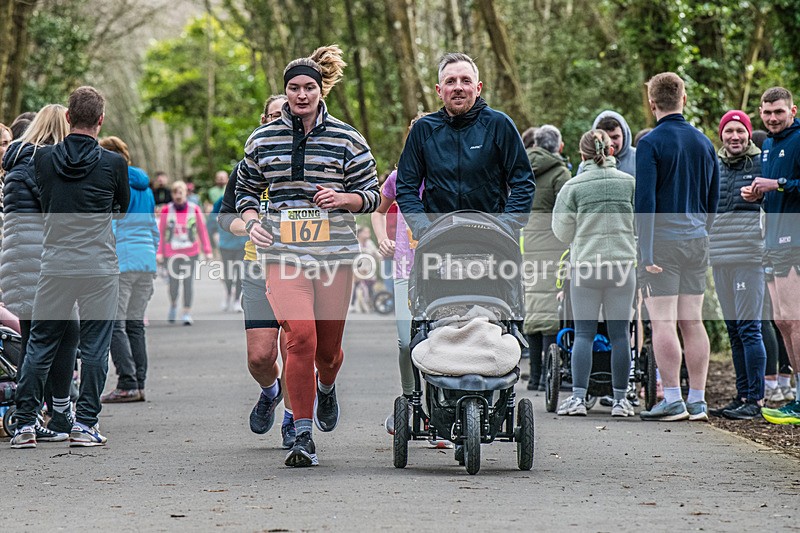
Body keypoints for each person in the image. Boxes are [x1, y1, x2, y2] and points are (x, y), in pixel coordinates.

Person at [236, 45, 380, 467]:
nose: (301, 94)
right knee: (300, 337)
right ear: (285, 91)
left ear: (321, 91)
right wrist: (251, 220)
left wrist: (344, 198)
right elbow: (244, 190)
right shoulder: (262, 139)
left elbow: (372, 197)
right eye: (294, 88)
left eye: (309, 87)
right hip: (283, 254)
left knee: (328, 352)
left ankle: (328, 386)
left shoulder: (347, 138)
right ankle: (302, 434)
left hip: (334, 256)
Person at [10, 86, 129, 448]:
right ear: (101, 120)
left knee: (41, 345)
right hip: (98, 265)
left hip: (56, 263)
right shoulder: (114, 163)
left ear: (67, 117)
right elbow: (121, 208)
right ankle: (85, 424)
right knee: (95, 347)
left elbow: (46, 200)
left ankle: (25, 424)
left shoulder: (42, 160)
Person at [636, 72, 719, 422]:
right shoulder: (704, 143)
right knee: (693, 321)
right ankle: (698, 399)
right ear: (683, 99)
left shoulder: (651, 143)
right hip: (697, 239)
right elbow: (713, 200)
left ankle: (672, 398)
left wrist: (646, 253)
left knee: (663, 323)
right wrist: (702, 232)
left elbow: (645, 202)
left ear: (652, 103)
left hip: (663, 244)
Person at [219, 94, 296, 450]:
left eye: (287, 113)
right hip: (256, 267)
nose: (279, 119)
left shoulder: (307, 161)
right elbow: (225, 216)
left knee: (295, 348)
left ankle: (295, 420)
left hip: (300, 267)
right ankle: (271, 391)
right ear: (263, 119)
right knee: (260, 357)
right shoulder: (246, 167)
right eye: (273, 115)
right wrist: (247, 227)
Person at [1, 104, 80, 441]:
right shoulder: (48, 166)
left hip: (18, 261)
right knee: (50, 340)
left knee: (45, 338)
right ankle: (31, 418)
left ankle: (47, 415)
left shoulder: (17, 167)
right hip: (45, 262)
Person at [396, 52, 535, 238]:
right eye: (450, 81)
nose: (458, 87)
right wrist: (423, 228)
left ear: (478, 88)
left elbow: (523, 182)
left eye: (466, 81)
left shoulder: (499, 124)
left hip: (493, 240)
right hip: (438, 241)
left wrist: (505, 225)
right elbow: (406, 187)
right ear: (439, 90)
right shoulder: (423, 130)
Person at [552, 129, 637, 417]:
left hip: (586, 267)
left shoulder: (574, 187)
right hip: (623, 267)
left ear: (583, 154)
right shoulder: (629, 184)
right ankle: (621, 400)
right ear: (611, 151)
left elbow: (561, 231)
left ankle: (577, 398)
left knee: (584, 334)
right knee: (621, 335)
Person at [743, 86, 800, 424]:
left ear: (792, 110)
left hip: (796, 241)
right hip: (773, 240)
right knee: (781, 321)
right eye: (767, 113)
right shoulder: (766, 145)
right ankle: (794, 393)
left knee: (794, 319)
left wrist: (777, 183)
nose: (772, 118)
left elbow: (786, 184)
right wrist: (757, 195)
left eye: (778, 112)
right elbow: (774, 192)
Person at [707, 111, 767, 420]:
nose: (735, 136)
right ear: (721, 135)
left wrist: (761, 197)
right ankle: (741, 395)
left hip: (749, 257)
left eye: (740, 131)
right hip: (719, 257)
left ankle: (755, 400)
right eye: (729, 131)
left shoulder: (761, 164)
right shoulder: (713, 166)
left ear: (747, 133)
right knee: (733, 329)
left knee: (749, 328)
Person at [98, 136, 159, 404]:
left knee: (114, 323)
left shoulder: (112, 181)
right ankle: (139, 383)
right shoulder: (145, 186)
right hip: (145, 258)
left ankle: (127, 382)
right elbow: (153, 226)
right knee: (135, 324)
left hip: (122, 258)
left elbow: (111, 222)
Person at [522, 125, 571, 391]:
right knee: (551, 309)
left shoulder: (522, 169)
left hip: (527, 245)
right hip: (554, 247)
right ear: (559, 146)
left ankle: (535, 376)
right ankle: (551, 377)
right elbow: (567, 213)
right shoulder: (560, 173)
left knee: (533, 307)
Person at [157, 180, 211, 325]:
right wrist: (159, 253)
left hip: (190, 251)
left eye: (181, 192)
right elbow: (161, 233)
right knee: (173, 283)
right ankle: (174, 304)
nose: (178, 195)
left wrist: (207, 250)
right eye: (175, 192)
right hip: (171, 252)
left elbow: (202, 230)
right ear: (172, 195)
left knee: (188, 282)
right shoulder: (166, 210)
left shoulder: (194, 209)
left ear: (186, 193)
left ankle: (186, 312)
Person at [210, 193, 247, 312]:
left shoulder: (246, 197)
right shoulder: (223, 198)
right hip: (226, 243)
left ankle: (237, 299)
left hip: (242, 242)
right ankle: (228, 294)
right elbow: (212, 217)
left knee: (240, 272)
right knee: (228, 273)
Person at [578, 111, 637, 176]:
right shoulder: (585, 166)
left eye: (615, 137)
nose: (610, 143)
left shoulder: (638, 158)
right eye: (605, 139)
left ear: (624, 136)